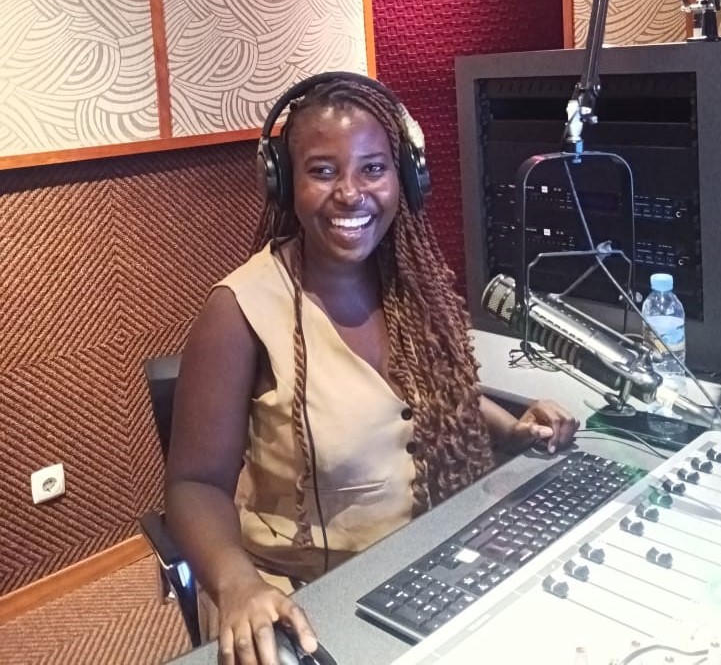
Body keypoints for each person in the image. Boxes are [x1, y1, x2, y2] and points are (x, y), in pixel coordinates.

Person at [164, 74, 579, 665]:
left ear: (404, 177)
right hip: (304, 600)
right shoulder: (239, 310)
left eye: (373, 169)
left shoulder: (409, 281)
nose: (351, 193)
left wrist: (510, 428)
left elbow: (426, 392)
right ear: (283, 182)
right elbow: (193, 485)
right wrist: (237, 585)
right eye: (322, 170)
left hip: (426, 568)